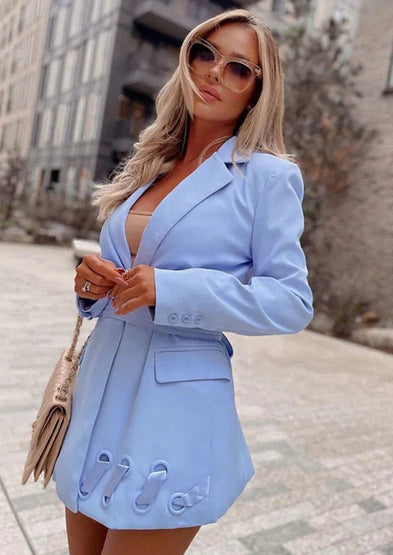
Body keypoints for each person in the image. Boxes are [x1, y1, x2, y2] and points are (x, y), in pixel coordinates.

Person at [53, 7, 314, 554]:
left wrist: (172, 290)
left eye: (238, 68)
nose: (215, 72)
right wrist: (90, 289)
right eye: (205, 53)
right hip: (99, 391)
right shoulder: (152, 161)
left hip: (172, 411)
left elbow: (291, 301)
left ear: (257, 90)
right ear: (188, 59)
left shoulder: (267, 177)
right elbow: (126, 272)